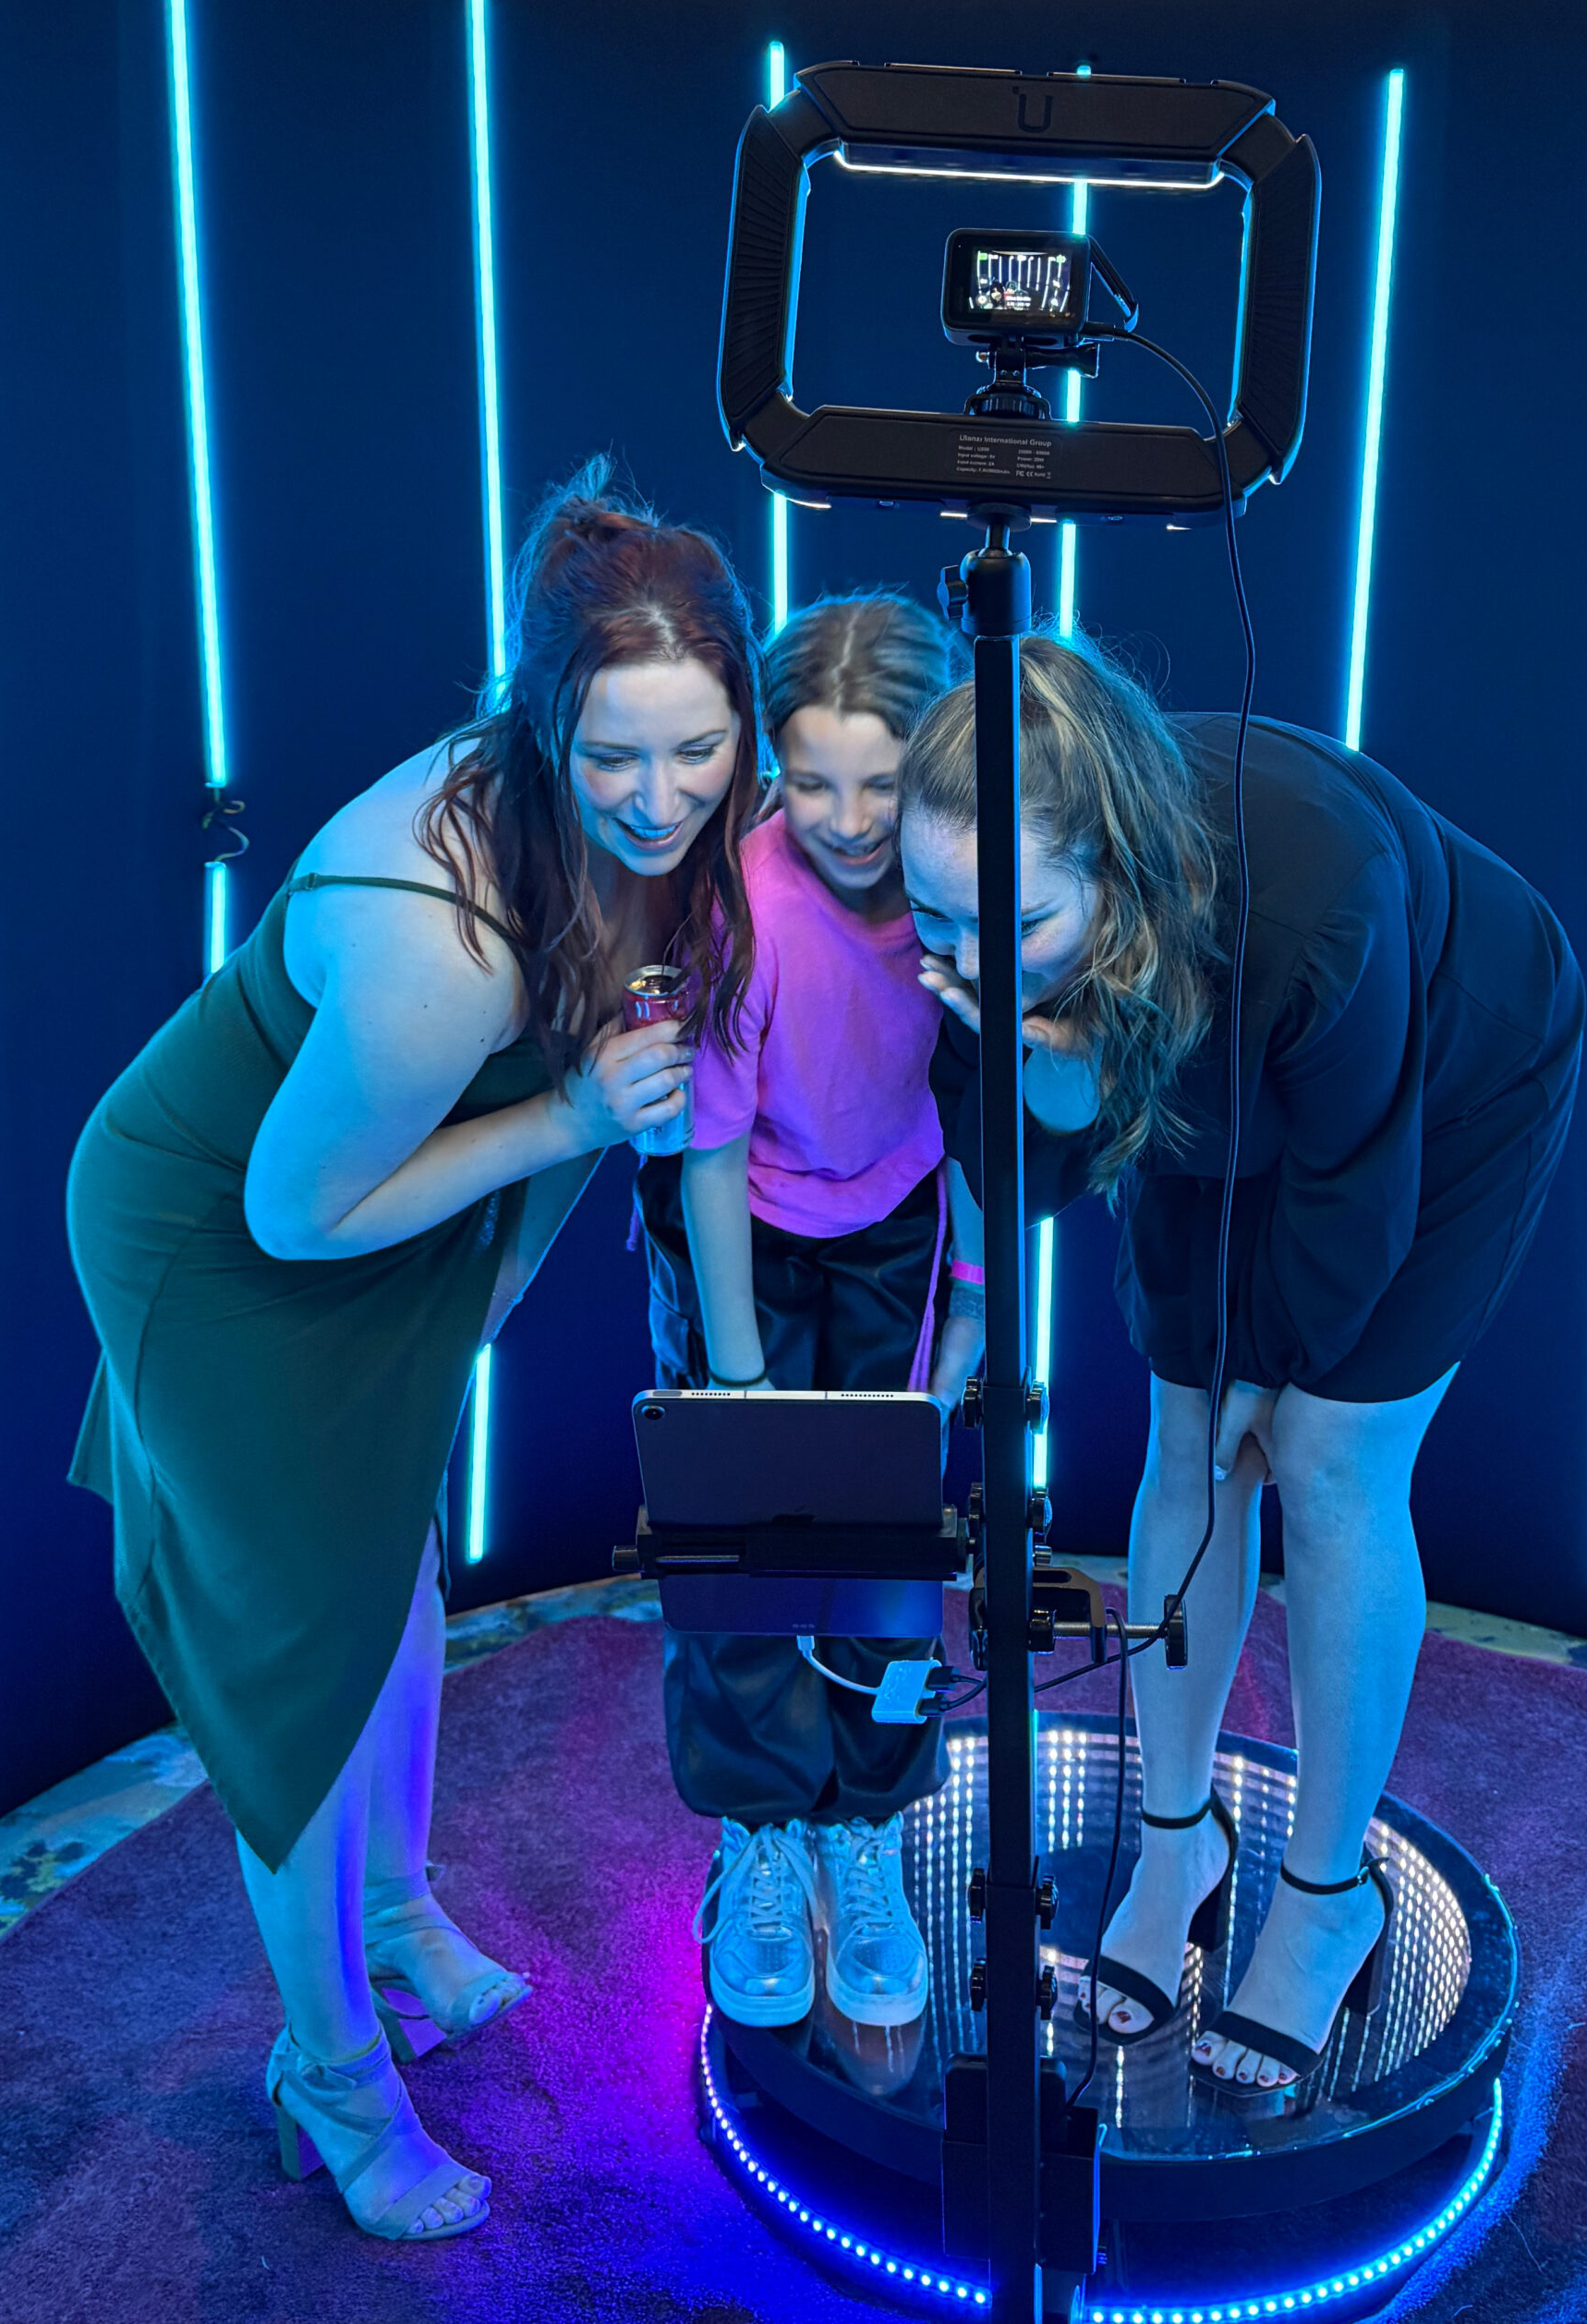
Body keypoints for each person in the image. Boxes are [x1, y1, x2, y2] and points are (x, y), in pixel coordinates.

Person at [66, 463, 759, 2238]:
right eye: (615, 756)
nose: (663, 798)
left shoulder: (651, 841)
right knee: (305, 1666)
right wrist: (572, 1129)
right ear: (538, 730)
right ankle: (332, 2075)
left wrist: (488, 1295)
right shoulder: (433, 934)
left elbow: (573, 1104)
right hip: (226, 1245)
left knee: (397, 1578)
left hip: (406, 1213)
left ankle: (394, 1919)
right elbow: (300, 1212)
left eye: (699, 750)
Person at [900, 635, 1583, 2095]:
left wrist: (1292, 1368)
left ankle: (1330, 1899)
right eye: (934, 917)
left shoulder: (1321, 890)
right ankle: (1176, 1841)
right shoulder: (996, 944)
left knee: (1328, 1464)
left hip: (1444, 1084)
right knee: (1189, 1449)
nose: (960, 957)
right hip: (1183, 1061)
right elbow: (1015, 1177)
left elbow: (1355, 1185)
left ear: (1119, 872)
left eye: (1009, 922)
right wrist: (1037, 1034)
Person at [635, 592, 975, 2036]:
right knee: (749, 1559)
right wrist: (741, 1384)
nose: (846, 819)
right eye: (810, 779)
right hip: (747, 1245)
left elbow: (994, 1114)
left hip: (897, 1232)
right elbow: (706, 1154)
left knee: (886, 1551)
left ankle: (867, 1824)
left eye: (882, 784)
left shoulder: (968, 884)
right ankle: (767, 1833)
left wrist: (969, 1304)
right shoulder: (740, 908)